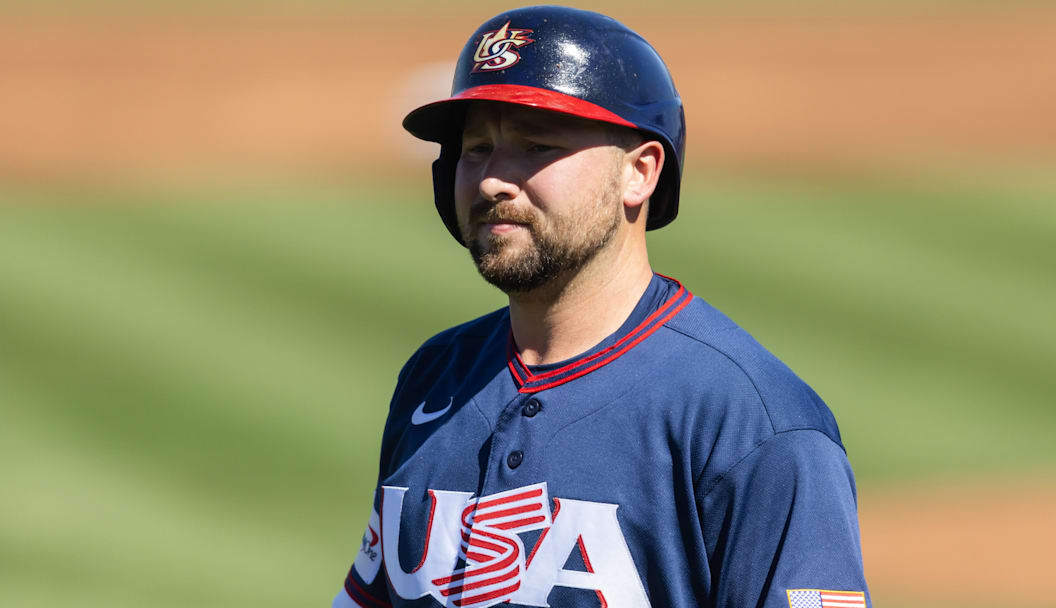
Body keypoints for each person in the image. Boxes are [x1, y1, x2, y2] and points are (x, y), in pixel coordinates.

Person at [333, 6, 870, 608]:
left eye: (536, 147)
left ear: (638, 173)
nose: (491, 181)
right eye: (478, 149)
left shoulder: (752, 425)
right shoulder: (435, 377)